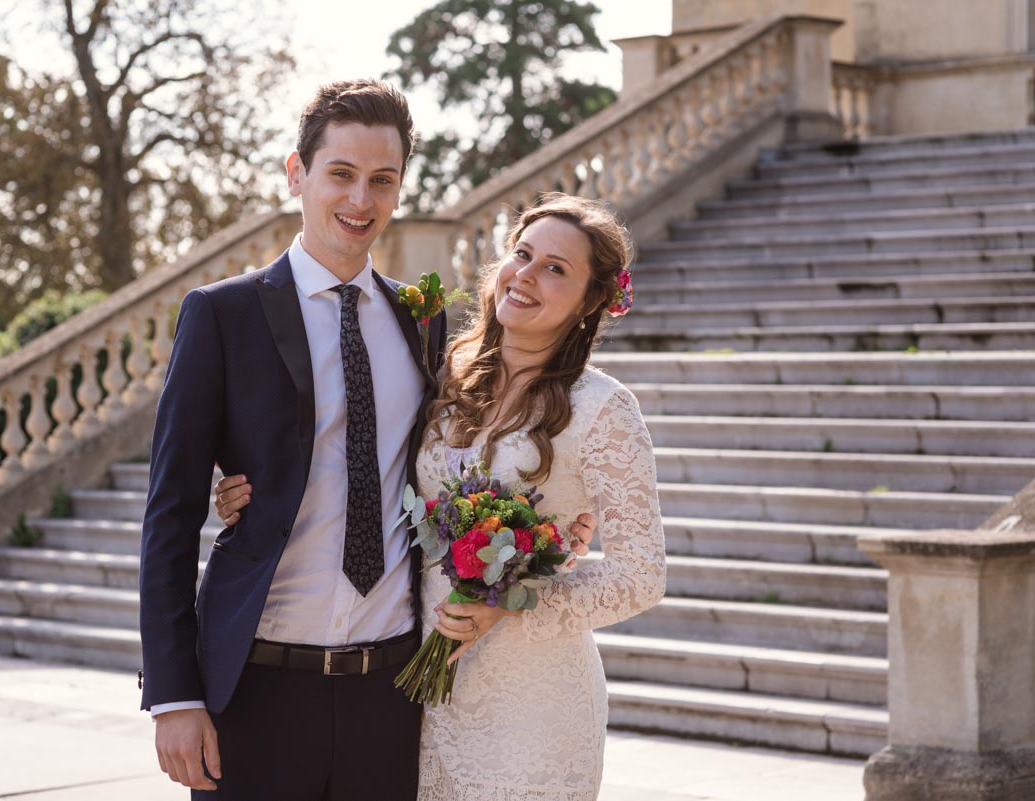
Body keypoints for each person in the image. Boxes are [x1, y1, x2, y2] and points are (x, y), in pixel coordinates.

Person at [139, 79, 596, 801]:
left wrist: (554, 526)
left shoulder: (423, 322)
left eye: (383, 179)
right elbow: (168, 514)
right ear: (297, 173)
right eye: (342, 174)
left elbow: (455, 464)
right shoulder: (222, 316)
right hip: (254, 687)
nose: (361, 199)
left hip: (389, 694)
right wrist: (174, 695)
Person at [218, 193, 667, 800]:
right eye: (523, 254)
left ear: (591, 301)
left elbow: (642, 576)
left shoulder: (602, 409)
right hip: (418, 698)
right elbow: (363, 466)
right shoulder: (444, 373)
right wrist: (252, 491)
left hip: (534, 704)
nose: (526, 275)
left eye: (555, 269)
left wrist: (514, 602)